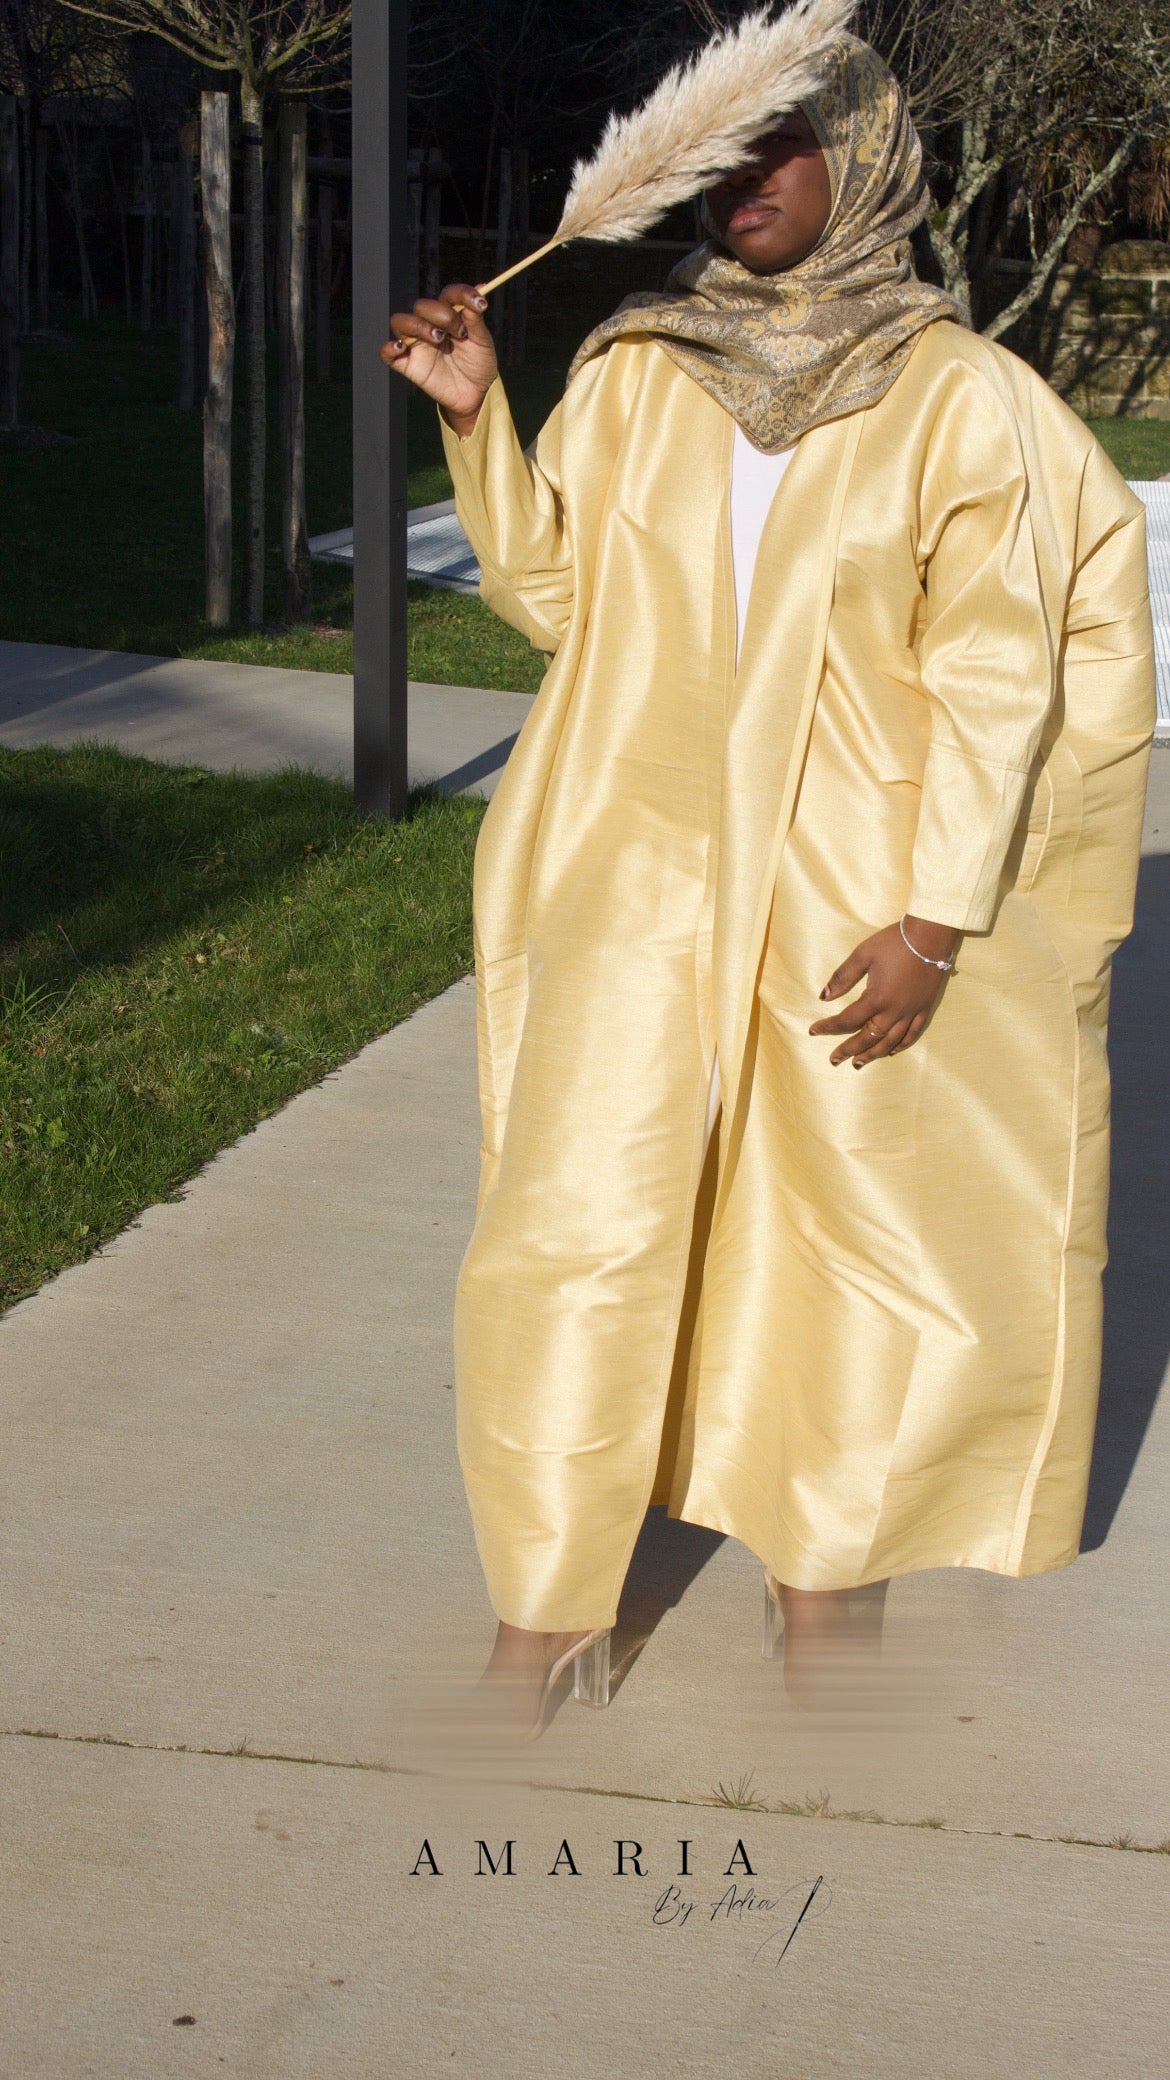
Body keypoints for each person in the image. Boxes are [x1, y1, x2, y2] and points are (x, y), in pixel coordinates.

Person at [382, 35, 1155, 1736]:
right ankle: (541, 1608)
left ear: (862, 157)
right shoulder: (644, 366)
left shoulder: (962, 398)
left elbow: (998, 677)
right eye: (721, 164)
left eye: (778, 153)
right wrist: (477, 423)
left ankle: (826, 1603)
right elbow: (567, 601)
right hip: (637, 873)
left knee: (845, 1243)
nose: (745, 190)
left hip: (854, 893)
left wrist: (939, 919)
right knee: (575, 1228)